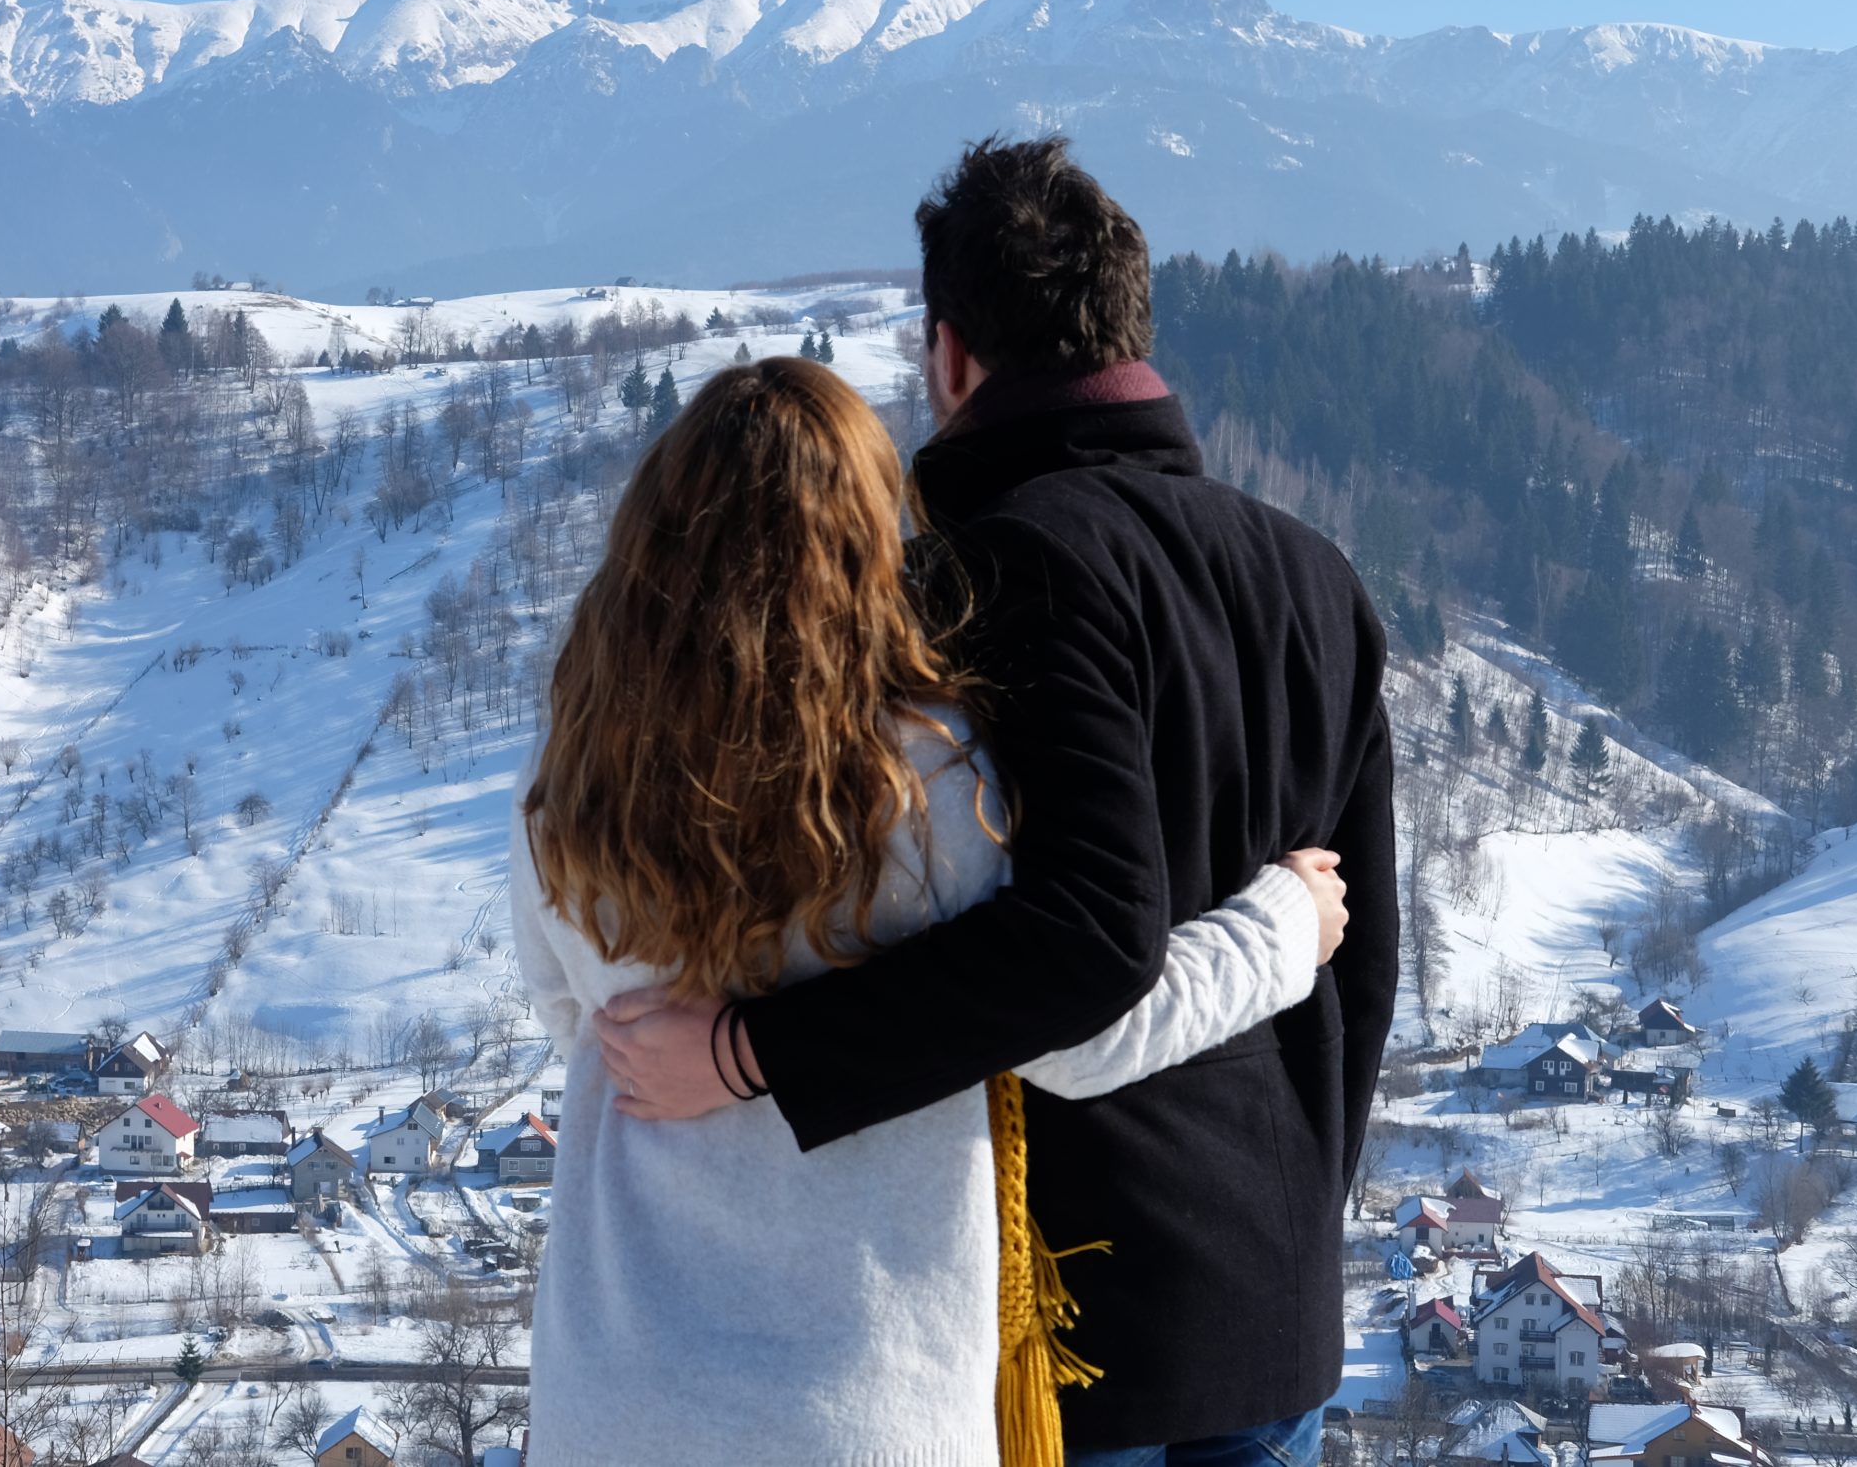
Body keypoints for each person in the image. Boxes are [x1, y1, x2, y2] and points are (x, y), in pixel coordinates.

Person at [597, 137, 1398, 1467]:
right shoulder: (1319, 577)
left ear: (952, 355)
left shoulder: (1002, 569)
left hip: (1071, 1325)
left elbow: (1078, 944)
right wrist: (1301, 1220)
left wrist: (750, 1053)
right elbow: (1357, 965)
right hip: (1276, 1306)